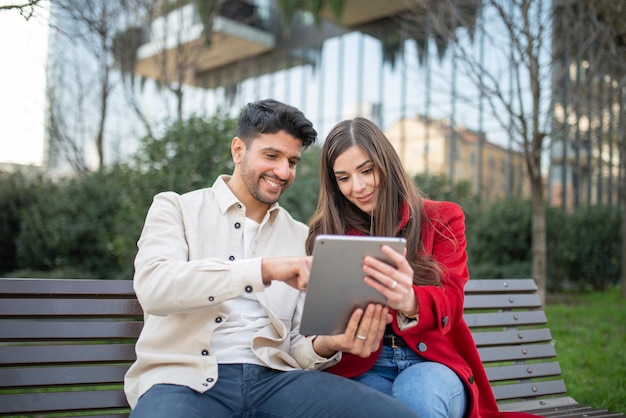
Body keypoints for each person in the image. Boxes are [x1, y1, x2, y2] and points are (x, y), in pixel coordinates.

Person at [124, 100, 420, 418]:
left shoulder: (300, 235)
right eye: (271, 155)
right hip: (183, 382)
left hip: (276, 382)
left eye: (292, 161)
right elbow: (155, 288)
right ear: (238, 150)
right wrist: (265, 270)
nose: (282, 171)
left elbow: (294, 345)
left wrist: (330, 343)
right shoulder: (176, 209)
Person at [306, 117, 537, 418]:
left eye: (366, 170)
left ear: (386, 163)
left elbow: (452, 302)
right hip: (363, 365)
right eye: (344, 177)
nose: (358, 187)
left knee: (418, 400)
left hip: (433, 363)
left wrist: (410, 301)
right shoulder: (326, 235)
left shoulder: (441, 219)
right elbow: (321, 318)